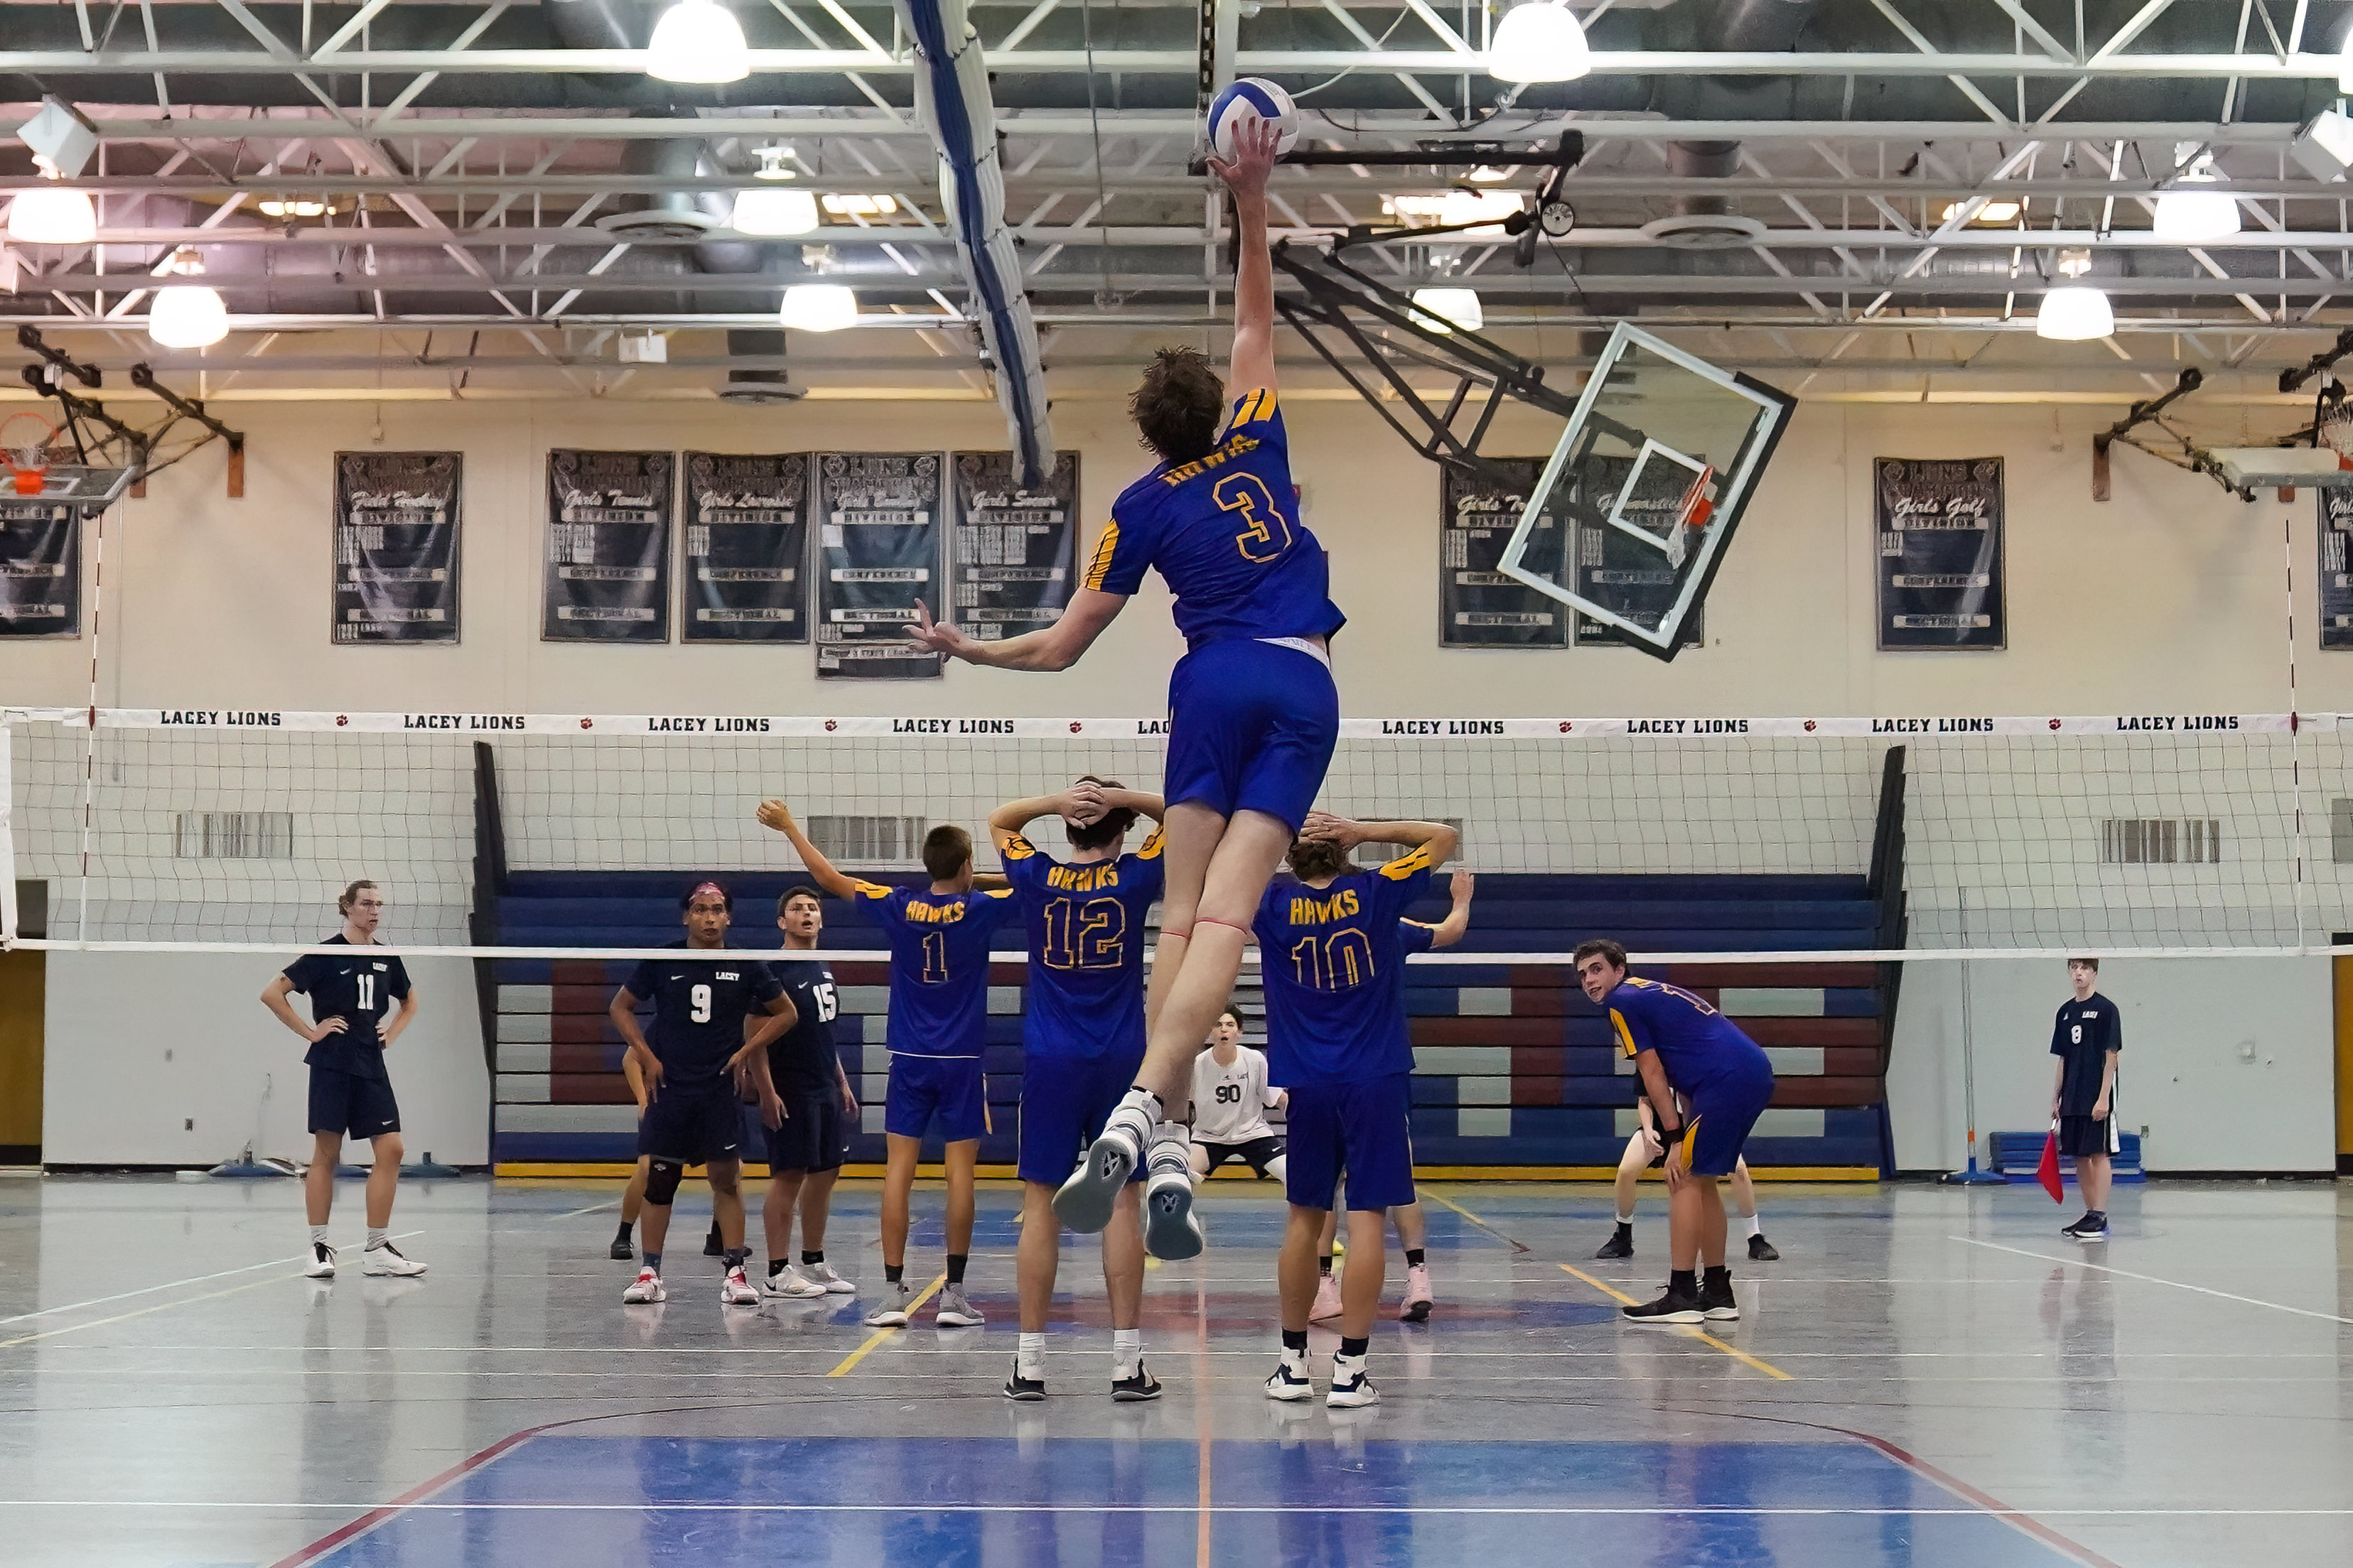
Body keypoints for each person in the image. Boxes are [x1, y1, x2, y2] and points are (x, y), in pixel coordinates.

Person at [905, 119, 1340, 1262]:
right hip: (1301, 681)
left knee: (1183, 917)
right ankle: (1162, 1121)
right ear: (1214, 407)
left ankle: (1154, 1129)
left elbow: (1058, 649)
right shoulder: (1254, 434)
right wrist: (1251, 193)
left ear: (1149, 432)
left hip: (1206, 683)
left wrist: (967, 647)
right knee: (1234, 922)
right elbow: (1256, 314)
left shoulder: (1137, 509)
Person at [757, 801, 1017, 1329]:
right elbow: (1033, 882)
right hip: (962, 1058)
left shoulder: (897, 904)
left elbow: (827, 876)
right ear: (966, 865)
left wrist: (788, 827)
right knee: (959, 1173)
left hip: (909, 1058)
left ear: (927, 866)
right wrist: (975, 877)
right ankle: (954, 1296)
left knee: (898, 1170)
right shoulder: (983, 907)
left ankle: (894, 1294)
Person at [1257, 815, 1459, 1410]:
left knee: (1303, 1219)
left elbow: (1208, 860)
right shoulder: (1375, 891)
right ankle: (1349, 1372)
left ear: (1290, 856)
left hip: (1308, 1082)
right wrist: (1360, 827)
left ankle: (1293, 1365)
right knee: (1367, 1219)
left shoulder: (1267, 902)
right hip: (1374, 1078)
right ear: (1342, 852)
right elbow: (1442, 836)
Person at [989, 776, 1169, 1400]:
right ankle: (1126, 1363)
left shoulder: (1035, 877)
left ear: (1068, 827)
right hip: (1121, 1058)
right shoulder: (1137, 877)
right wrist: (1123, 798)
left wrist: (1051, 801)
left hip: (1050, 1058)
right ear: (1121, 829)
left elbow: (1000, 821)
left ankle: (1030, 1364)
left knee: (1041, 1204)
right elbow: (1178, 813)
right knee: (1123, 1199)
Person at [608, 880, 792, 1308]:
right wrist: (646, 1055)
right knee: (660, 1180)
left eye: (717, 910)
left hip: (717, 1089)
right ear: (686, 916)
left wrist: (747, 1051)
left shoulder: (746, 965)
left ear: (728, 916)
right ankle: (650, 1272)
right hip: (670, 1089)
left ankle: (735, 1273)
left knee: (725, 1180)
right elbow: (620, 1007)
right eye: (700, 909)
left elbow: (787, 1013)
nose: (709, 917)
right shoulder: (663, 959)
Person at [1305, 869, 1476, 1325]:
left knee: (1321, 1191)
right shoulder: (1385, 926)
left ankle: (1325, 1287)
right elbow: (1453, 930)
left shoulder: (1291, 922)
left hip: (1315, 1072)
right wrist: (1460, 898)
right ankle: (1418, 1277)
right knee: (1394, 1185)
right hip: (1377, 1071)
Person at [1576, 939, 1777, 1326]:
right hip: (1747, 1074)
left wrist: (1674, 1137)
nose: (1589, 980)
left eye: (1596, 969)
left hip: (1726, 1080)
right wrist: (1681, 1129)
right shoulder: (1648, 993)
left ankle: (1682, 1294)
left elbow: (1652, 1073)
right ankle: (1717, 1292)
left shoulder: (1623, 1002)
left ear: (1620, 970)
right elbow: (1680, 1072)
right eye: (1582, 974)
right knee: (1701, 1181)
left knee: (1681, 1176)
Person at [259, 879, 427, 1280]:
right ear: (347, 907)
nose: (374, 911)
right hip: (333, 1061)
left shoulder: (389, 958)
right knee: (327, 1155)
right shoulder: (325, 953)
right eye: (367, 903)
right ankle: (319, 1247)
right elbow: (271, 993)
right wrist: (311, 1031)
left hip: (371, 1062)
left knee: (392, 1150)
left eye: (379, 904)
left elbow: (410, 1002)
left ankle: (377, 1248)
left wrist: (394, 1031)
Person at [758, 885, 861, 1298]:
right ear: (782, 922)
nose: (806, 913)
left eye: (813, 908)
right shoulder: (772, 968)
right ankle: (776, 1271)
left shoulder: (822, 965)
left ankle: (813, 1261)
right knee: (789, 1176)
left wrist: (841, 1082)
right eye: (797, 909)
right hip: (790, 1086)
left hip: (824, 1085)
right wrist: (766, 1091)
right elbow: (755, 1036)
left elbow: (824, 1033)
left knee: (825, 1174)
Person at [1594, 1095, 1779, 1262]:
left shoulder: (1697, 1060)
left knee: (1738, 1170)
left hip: (1700, 1129)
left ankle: (1755, 1238)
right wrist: (1649, 1131)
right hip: (1661, 1130)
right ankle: (1623, 1234)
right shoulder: (1650, 1059)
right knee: (1626, 1171)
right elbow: (1645, 1100)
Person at [2051, 956, 2123, 1242]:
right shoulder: (2065, 1012)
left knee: (2098, 1152)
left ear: (2094, 974)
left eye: (2084, 968)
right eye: (2074, 968)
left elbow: (2112, 1056)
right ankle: (2091, 1213)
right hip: (2072, 1094)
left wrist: (2103, 1097)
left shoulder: (2107, 1010)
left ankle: (2102, 1215)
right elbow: (2062, 1058)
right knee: (2079, 1155)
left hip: (2096, 1093)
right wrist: (2056, 1097)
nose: (2078, 973)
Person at [1188, 1006, 1287, 1186]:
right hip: (1210, 1137)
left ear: (1239, 1032)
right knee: (1180, 1176)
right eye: (1218, 1025)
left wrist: (1299, 1111)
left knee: (1292, 1174)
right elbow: (1180, 1103)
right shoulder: (1197, 1065)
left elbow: (1275, 1097)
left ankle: (1298, 1213)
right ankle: (1185, 1214)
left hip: (1253, 1133)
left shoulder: (1255, 1060)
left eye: (1230, 1025)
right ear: (1210, 1031)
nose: (1223, 1029)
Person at [610, 1053, 652, 1260]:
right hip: (668, 1100)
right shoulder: (669, 1024)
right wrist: (643, 1099)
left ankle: (720, 1237)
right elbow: (630, 1058)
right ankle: (623, 1235)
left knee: (730, 1166)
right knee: (647, 1166)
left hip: (708, 1099)